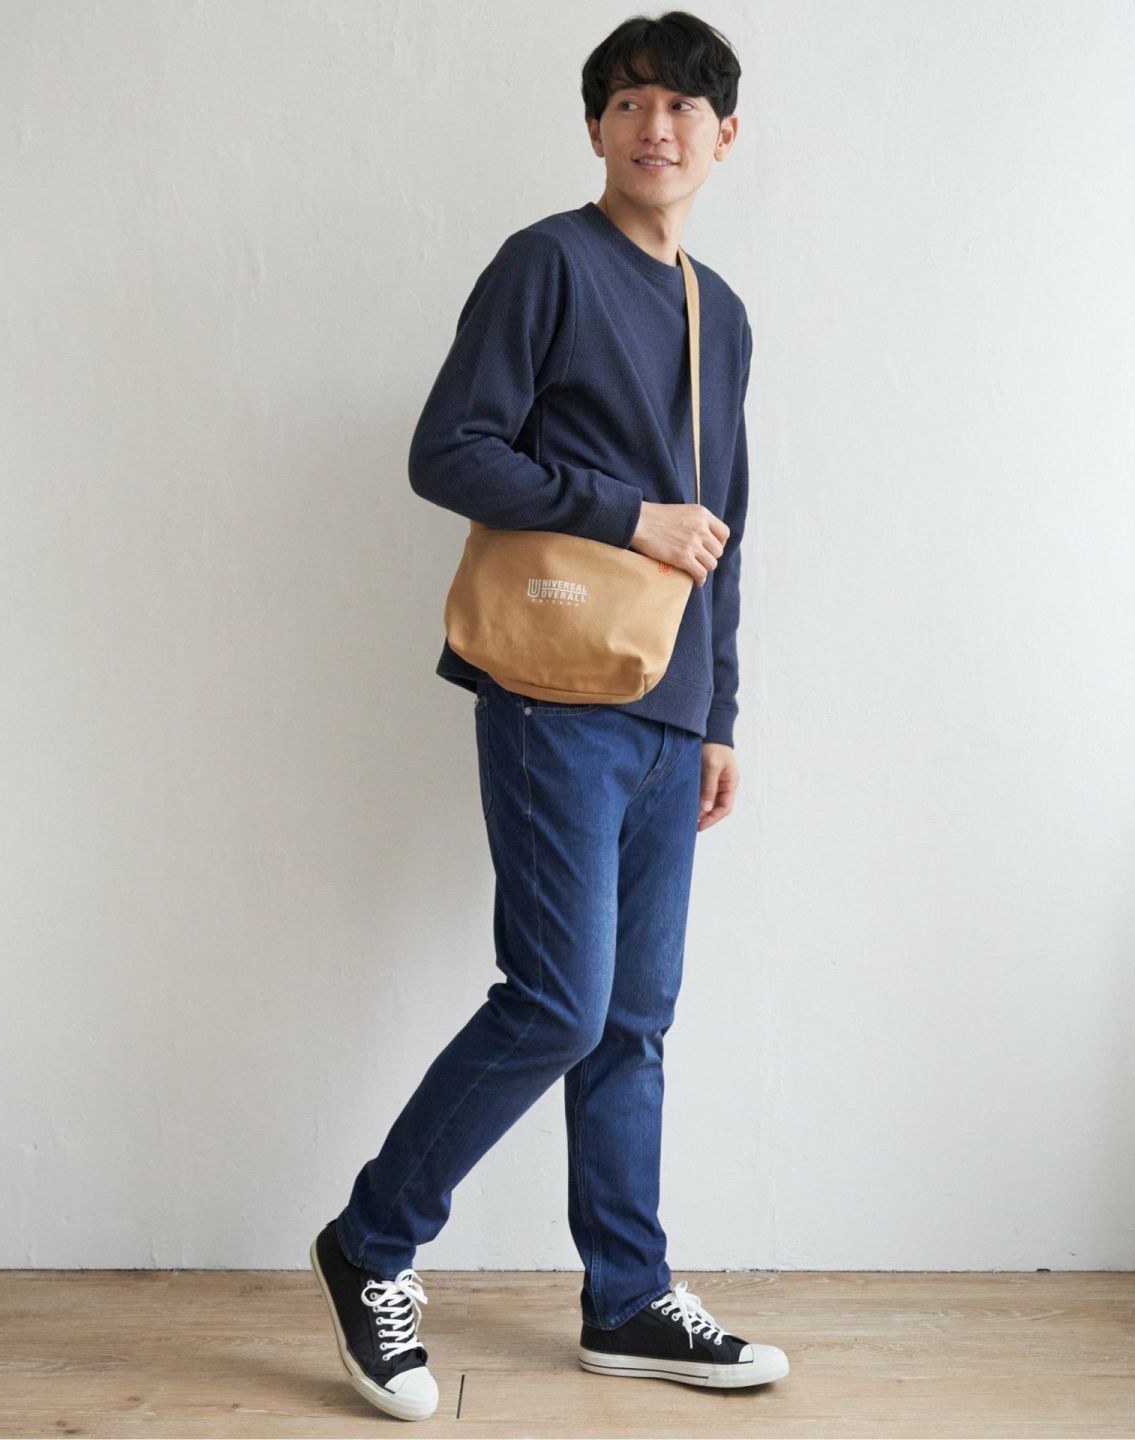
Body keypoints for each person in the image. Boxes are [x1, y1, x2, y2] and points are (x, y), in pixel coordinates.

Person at [309, 10, 788, 1422]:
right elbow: (447, 449)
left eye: (683, 106)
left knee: (633, 1017)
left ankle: (627, 1298)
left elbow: (728, 526)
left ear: (725, 137)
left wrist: (721, 713)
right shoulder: (548, 264)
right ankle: (372, 1241)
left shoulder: (721, 313)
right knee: (559, 1003)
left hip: (668, 707)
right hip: (553, 691)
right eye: (629, 102)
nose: (656, 126)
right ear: (594, 127)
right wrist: (626, 516)